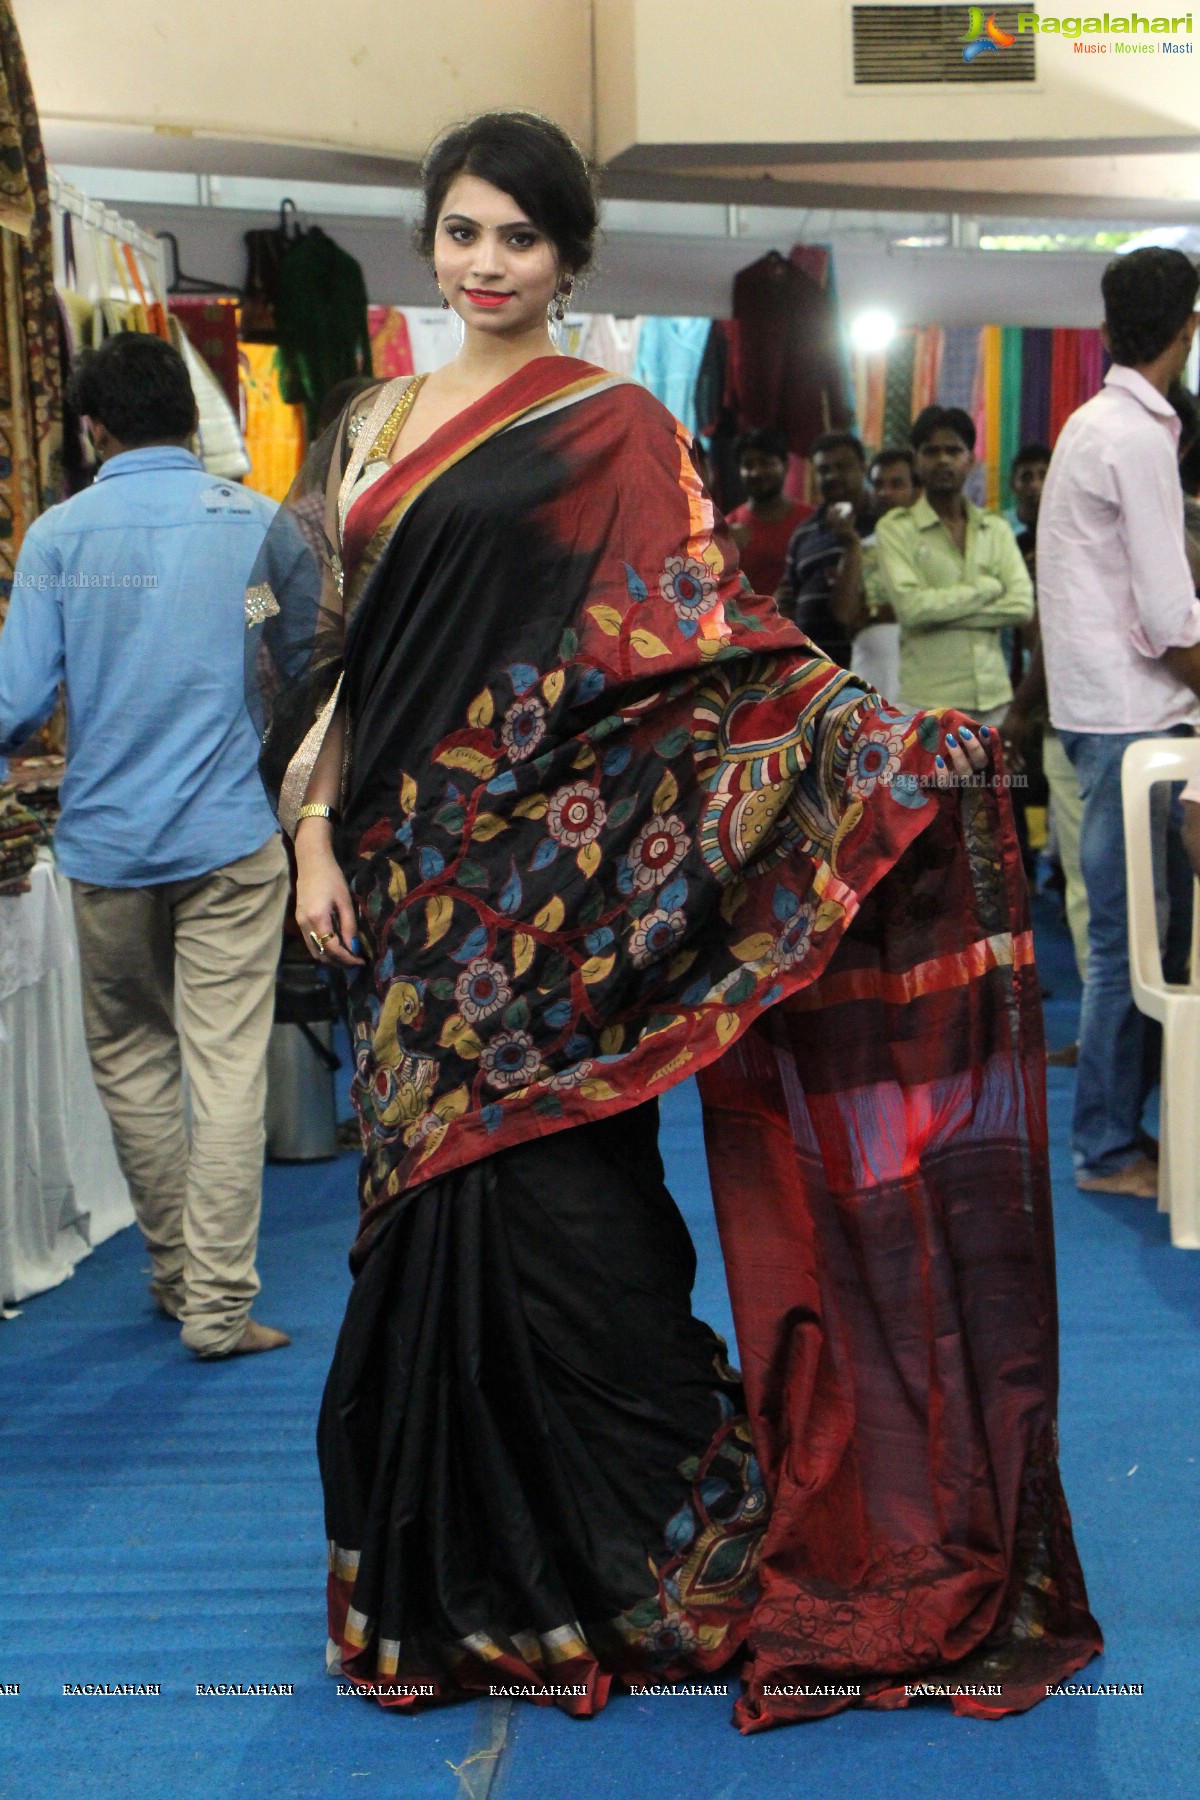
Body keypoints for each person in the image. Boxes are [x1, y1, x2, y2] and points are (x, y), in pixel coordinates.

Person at [248, 110, 1099, 1727]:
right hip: (413, 883)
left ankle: (618, 1563)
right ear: (432, 244)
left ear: (566, 255)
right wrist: (312, 835)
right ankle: (444, 1597)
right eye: (461, 232)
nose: (484, 262)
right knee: (419, 1228)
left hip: (557, 906)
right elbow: (348, 657)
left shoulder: (618, 426)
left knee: (572, 1229)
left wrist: (873, 748)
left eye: (516, 236)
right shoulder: (373, 424)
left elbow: (705, 650)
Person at [0, 333, 290, 1359]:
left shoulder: (58, 537)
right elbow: (309, 673)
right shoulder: (260, 525)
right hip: (231, 835)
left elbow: (18, 700)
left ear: (93, 429)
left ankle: (175, 1276)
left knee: (131, 1058)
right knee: (224, 1065)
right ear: (187, 414)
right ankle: (217, 1305)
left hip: (106, 842)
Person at [1037, 247, 1200, 1201]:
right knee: (1135, 944)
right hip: (1137, 717)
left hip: (1106, 713)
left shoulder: (1091, 424)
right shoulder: (1133, 437)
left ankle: (1121, 1131)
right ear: (1189, 328)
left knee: (1132, 938)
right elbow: (1172, 617)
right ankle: (1106, 1147)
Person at [1001, 440, 1089, 1066]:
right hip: (1055, 711)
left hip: (1077, 715)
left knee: (1092, 883)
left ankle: (1107, 1036)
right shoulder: (1024, 540)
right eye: (1026, 475)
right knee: (1077, 873)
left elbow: (1042, 629)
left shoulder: (1068, 539)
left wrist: (1019, 711)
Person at [874, 406, 1034, 724]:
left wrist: (941, 614)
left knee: (997, 778)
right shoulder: (896, 529)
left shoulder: (996, 528)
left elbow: (1021, 607)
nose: (943, 460)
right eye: (932, 451)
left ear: (970, 461)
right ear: (916, 460)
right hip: (928, 705)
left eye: (953, 450)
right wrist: (987, 589)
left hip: (995, 700)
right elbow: (911, 609)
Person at [774, 430, 872, 667]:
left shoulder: (883, 523)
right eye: (824, 470)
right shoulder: (804, 532)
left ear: (863, 467)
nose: (832, 476)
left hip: (872, 663)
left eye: (842, 467)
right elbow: (788, 597)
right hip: (816, 668)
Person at [830, 446, 919, 701]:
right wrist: (853, 547)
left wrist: (875, 612)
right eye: (878, 484)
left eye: (897, 484)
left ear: (916, 490)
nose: (885, 492)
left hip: (924, 682)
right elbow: (845, 615)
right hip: (872, 682)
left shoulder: (933, 546)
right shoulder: (862, 546)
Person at [725, 426, 811, 597]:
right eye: (748, 465)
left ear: (785, 466)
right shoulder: (727, 528)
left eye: (766, 462)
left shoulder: (810, 520)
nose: (757, 472)